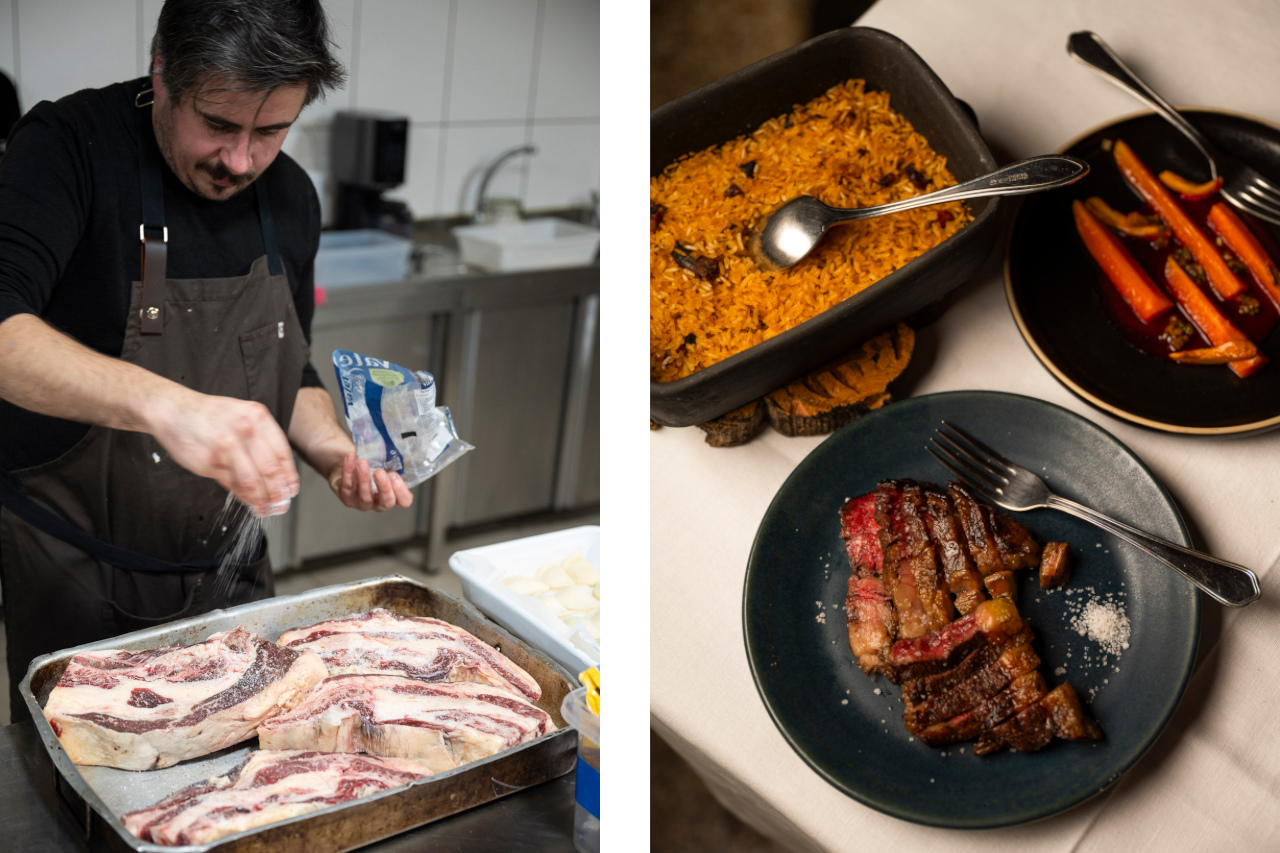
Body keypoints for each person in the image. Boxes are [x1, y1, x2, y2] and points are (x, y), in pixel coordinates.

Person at [0, 0, 414, 722]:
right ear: (163, 73)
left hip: (233, 575)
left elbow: (290, 369)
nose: (241, 160)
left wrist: (332, 450)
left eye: (271, 130)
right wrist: (166, 404)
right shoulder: (68, 148)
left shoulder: (290, 198)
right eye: (218, 124)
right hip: (77, 572)